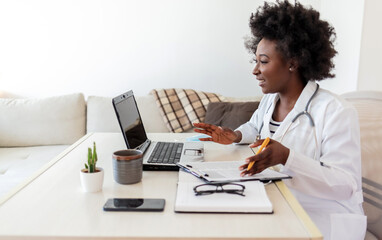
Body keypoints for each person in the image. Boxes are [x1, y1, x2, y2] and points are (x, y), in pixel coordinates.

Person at [193, 1, 366, 239]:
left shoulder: (336, 112)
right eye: (256, 61)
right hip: (280, 202)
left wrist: (287, 157)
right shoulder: (271, 99)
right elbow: (255, 127)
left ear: (293, 63)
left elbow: (346, 185)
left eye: (263, 62)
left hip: (323, 219)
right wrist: (237, 135)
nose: (255, 70)